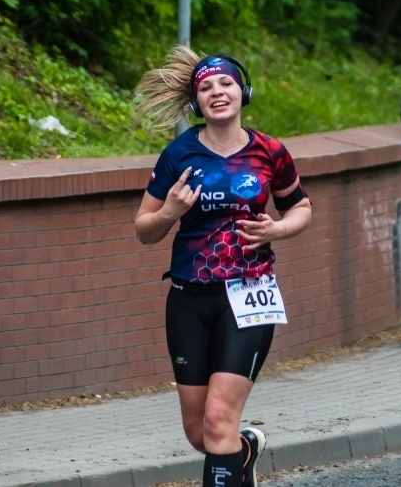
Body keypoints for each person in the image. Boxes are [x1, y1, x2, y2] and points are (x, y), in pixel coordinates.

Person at [133, 46, 312, 487]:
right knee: (202, 433)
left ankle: (231, 449)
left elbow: (301, 208)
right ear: (196, 103)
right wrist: (170, 211)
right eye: (206, 87)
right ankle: (244, 450)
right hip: (188, 300)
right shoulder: (179, 154)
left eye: (226, 83)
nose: (217, 91)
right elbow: (144, 229)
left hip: (248, 294)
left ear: (242, 91)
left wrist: (278, 230)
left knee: (218, 420)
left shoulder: (270, 151)